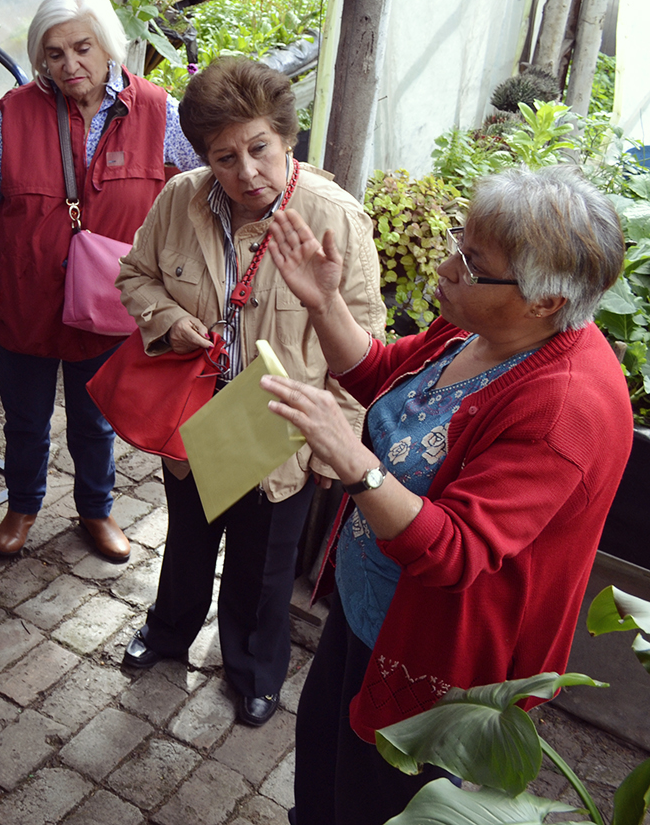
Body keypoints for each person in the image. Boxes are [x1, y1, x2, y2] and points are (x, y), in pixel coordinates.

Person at [260, 165, 631, 825]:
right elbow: (379, 373)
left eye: (471, 261)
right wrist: (324, 303)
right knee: (321, 770)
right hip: (368, 604)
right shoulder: (480, 327)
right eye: (460, 243)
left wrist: (353, 461)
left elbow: (455, 551)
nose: (447, 266)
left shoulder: (564, 408)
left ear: (543, 301)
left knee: (374, 801)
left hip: (435, 647)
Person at [114, 56, 384, 727]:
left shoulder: (334, 218)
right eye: (224, 157)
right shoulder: (181, 198)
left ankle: (254, 670)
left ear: (285, 137)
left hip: (280, 427)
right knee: (186, 542)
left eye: (258, 148)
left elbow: (366, 347)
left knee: (263, 568)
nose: (246, 173)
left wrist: (333, 449)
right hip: (197, 412)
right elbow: (135, 276)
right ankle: (169, 632)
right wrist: (170, 320)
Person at [0, 0, 204, 563]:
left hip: (108, 300)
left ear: (109, 47)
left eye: (82, 48)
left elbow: (204, 182)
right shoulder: (15, 113)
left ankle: (96, 509)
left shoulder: (157, 110)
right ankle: (22, 505)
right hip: (26, 296)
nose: (70, 64)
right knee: (25, 416)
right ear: (40, 57)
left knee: (96, 420)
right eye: (54, 53)